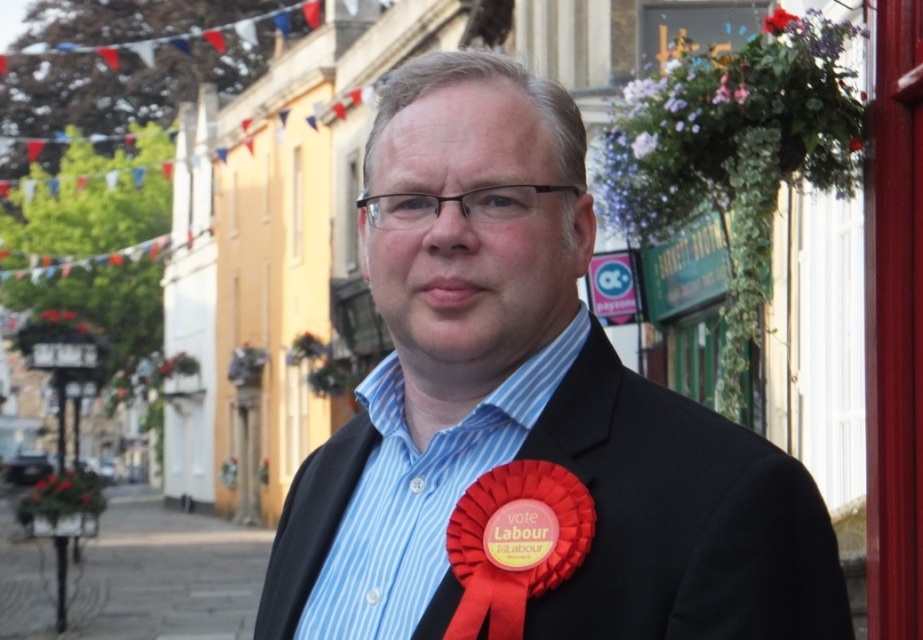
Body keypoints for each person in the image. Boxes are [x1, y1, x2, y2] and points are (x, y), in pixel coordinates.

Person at [254, 49, 854, 639]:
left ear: (580, 232)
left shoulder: (734, 497)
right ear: (367, 237)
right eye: (410, 202)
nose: (447, 233)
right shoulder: (321, 479)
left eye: (497, 199)